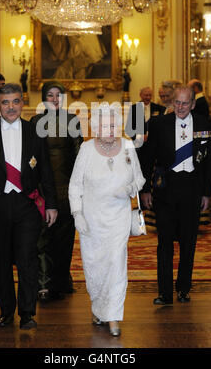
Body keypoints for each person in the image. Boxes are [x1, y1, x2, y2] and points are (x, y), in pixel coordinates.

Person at [0, 83, 58, 330]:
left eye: (15, 101)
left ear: (22, 103)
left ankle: (27, 313)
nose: (10, 107)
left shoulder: (35, 132)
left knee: (27, 259)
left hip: (26, 203)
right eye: (5, 102)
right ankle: (6, 310)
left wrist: (51, 204)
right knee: (2, 261)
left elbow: (46, 172)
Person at [69, 103, 145, 336]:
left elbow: (140, 180)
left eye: (113, 125)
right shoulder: (86, 149)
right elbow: (75, 185)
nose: (110, 130)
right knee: (94, 266)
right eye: (104, 126)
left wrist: (129, 188)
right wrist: (77, 213)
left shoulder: (128, 146)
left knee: (116, 264)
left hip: (118, 218)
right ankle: (98, 307)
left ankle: (112, 316)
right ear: (95, 128)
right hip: (91, 220)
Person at [140, 86, 211, 305]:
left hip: (192, 189)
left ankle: (183, 289)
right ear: (172, 103)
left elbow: (208, 161)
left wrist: (206, 193)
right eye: (177, 103)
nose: (180, 107)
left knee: (188, 243)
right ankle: (164, 292)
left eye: (185, 103)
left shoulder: (205, 124)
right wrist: (145, 189)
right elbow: (148, 159)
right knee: (164, 243)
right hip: (166, 189)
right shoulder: (158, 124)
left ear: (193, 104)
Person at [30, 81, 83, 302]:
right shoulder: (34, 122)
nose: (54, 99)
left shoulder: (72, 121)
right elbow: (30, 157)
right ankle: (43, 283)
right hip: (42, 187)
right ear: (44, 98)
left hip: (66, 187)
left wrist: (79, 187)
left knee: (64, 238)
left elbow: (79, 154)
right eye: (50, 95)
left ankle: (61, 280)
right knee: (42, 238)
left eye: (58, 95)